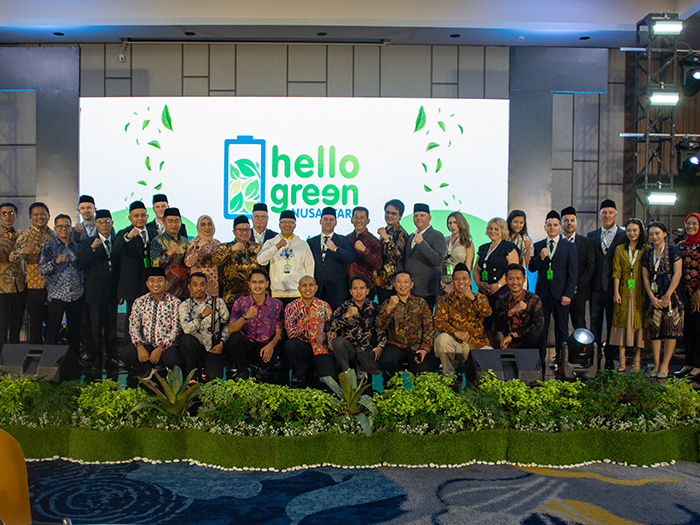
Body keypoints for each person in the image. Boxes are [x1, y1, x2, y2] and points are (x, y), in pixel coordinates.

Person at [38, 214, 84, 380]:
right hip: (57, 294)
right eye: (60, 226)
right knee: (52, 330)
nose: (64, 229)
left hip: (76, 294)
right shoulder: (49, 248)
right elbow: (41, 270)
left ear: (70, 228)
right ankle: (49, 363)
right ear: (55, 228)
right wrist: (55, 262)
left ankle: (73, 361)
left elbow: (83, 268)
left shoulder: (78, 247)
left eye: (66, 226)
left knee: (74, 330)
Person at [528, 210, 578, 362]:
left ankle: (561, 360)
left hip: (561, 294)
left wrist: (568, 294)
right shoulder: (538, 246)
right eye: (549, 225)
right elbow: (532, 268)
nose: (552, 228)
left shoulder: (569, 246)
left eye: (555, 225)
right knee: (541, 328)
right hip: (543, 294)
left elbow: (572, 273)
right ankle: (540, 360)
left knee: (562, 328)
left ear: (560, 227)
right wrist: (540, 257)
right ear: (544, 227)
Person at [119, 267, 184, 380]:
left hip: (166, 346)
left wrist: (161, 348)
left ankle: (162, 368)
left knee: (173, 360)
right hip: (146, 344)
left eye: (160, 280)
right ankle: (149, 368)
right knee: (125, 354)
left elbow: (176, 329)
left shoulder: (174, 302)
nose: (156, 284)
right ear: (147, 284)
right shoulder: (139, 302)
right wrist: (139, 346)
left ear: (166, 283)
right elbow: (133, 326)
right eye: (152, 281)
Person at [77, 209, 120, 381]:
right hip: (95, 293)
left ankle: (112, 356)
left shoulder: (116, 241)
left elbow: (119, 267)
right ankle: (96, 358)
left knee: (112, 326)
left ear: (112, 223)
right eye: (100, 222)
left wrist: (119, 291)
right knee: (95, 328)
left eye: (107, 221)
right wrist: (92, 249)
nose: (104, 225)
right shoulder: (88, 242)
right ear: (95, 224)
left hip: (112, 292)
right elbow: (81, 263)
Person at [434, 263, 492, 382]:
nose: (461, 282)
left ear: (470, 281)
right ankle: (450, 379)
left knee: (489, 354)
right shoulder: (445, 300)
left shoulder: (480, 297)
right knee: (442, 339)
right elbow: (438, 322)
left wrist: (473, 299)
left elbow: (487, 312)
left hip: (475, 343)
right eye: (457, 279)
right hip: (455, 344)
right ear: (452, 282)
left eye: (464, 279)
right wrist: (455, 332)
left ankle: (479, 386)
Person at [642, 222, 686, 379]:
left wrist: (667, 295)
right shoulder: (647, 254)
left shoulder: (674, 250)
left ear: (665, 234)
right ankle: (656, 364)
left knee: (671, 331)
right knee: (655, 331)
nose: (654, 237)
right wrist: (651, 297)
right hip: (654, 296)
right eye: (651, 234)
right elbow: (645, 277)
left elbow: (677, 274)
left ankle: (665, 365)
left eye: (657, 233)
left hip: (672, 296)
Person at [10, 202, 57, 343]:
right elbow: (12, 257)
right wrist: (24, 252)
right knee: (36, 322)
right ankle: (36, 350)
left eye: (42, 214)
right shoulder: (25, 235)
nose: (39, 217)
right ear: (30, 217)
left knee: (52, 321)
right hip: (34, 285)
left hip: (54, 286)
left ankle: (51, 351)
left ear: (48, 216)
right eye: (36, 215)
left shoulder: (54, 234)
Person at [587, 199, 626, 369]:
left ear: (616, 214)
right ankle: (595, 356)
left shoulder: (624, 235)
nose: (607, 215)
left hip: (616, 288)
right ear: (600, 215)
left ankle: (610, 357)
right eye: (604, 213)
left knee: (613, 324)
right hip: (596, 287)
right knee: (594, 322)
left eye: (610, 212)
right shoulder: (592, 235)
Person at [113, 200, 159, 339]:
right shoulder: (124, 233)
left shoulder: (153, 233)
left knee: (150, 316)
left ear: (147, 216)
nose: (140, 218)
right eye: (136, 216)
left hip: (150, 283)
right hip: (131, 284)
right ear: (130, 218)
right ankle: (130, 346)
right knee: (132, 317)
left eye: (143, 215)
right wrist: (128, 237)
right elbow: (115, 251)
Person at [228, 269, 284, 382]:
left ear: (267, 284)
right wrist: (245, 317)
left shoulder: (277, 304)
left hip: (264, 344)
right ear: (249, 284)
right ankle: (242, 371)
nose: (257, 286)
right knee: (234, 339)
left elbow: (279, 334)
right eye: (254, 282)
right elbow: (231, 329)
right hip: (246, 343)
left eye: (261, 282)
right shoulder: (241, 302)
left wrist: (271, 345)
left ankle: (262, 372)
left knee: (270, 353)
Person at [375, 271, 434, 377]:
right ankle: (393, 382)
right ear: (394, 284)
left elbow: (428, 329)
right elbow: (380, 326)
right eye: (399, 282)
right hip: (395, 346)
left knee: (423, 373)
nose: (402, 285)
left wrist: (424, 349)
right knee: (387, 360)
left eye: (406, 282)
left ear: (411, 284)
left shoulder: (421, 303)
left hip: (416, 348)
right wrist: (389, 309)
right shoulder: (387, 303)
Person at [610, 218, 648, 373]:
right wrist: (616, 292)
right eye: (629, 230)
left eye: (635, 230)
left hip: (640, 292)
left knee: (639, 325)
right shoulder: (620, 249)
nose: (631, 233)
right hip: (624, 291)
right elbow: (616, 272)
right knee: (622, 324)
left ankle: (637, 361)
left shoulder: (646, 249)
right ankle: (622, 360)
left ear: (640, 232)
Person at [473, 217, 519, 343]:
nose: (492, 231)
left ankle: (501, 350)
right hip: (484, 293)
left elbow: (512, 270)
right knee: (485, 325)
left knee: (497, 326)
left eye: (496, 229)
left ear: (502, 230)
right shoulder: (483, 248)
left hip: (502, 293)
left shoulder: (509, 247)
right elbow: (476, 269)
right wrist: (478, 283)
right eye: (490, 228)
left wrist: (498, 285)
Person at [328, 275, 385, 377]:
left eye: (362, 288)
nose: (358, 291)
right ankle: (347, 373)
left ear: (367, 291)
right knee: (337, 342)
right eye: (355, 288)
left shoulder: (374, 307)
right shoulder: (344, 307)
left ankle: (361, 371)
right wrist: (346, 316)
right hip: (349, 349)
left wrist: (380, 346)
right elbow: (331, 327)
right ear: (351, 291)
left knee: (376, 368)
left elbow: (381, 328)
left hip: (365, 350)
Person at [284, 275, 335, 388]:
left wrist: (332, 351)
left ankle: (316, 371)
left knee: (329, 379)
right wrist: (305, 320)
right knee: (291, 345)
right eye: (304, 285)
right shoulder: (291, 307)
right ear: (299, 289)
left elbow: (330, 330)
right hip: (302, 346)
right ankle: (300, 371)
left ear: (316, 288)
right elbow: (291, 334)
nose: (308, 288)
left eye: (311, 285)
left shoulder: (324, 306)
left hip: (319, 346)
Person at [178, 272, 230, 381]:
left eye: (202, 285)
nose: (199, 288)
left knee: (214, 378)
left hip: (213, 348)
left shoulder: (217, 302)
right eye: (195, 285)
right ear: (189, 287)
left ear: (206, 286)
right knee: (186, 340)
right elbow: (186, 329)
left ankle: (208, 370)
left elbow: (227, 324)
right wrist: (201, 317)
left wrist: (222, 343)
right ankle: (192, 375)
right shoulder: (185, 305)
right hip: (195, 348)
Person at [257, 210, 314, 306]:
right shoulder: (271, 242)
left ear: (295, 225)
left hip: (298, 293)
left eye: (290, 222)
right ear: (279, 224)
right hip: (277, 293)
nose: (287, 225)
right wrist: (276, 247)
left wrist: (308, 291)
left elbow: (310, 269)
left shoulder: (302, 244)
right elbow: (261, 260)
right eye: (284, 222)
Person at [307, 206, 354, 310]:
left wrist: (336, 249)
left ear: (335, 222)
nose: (328, 222)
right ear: (320, 221)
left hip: (338, 290)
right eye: (325, 219)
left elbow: (350, 258)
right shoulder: (311, 242)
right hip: (317, 290)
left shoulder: (343, 240)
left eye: (331, 220)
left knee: (337, 318)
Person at [402, 203, 446, 310]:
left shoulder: (437, 235)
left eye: (422, 215)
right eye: (416, 216)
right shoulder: (411, 236)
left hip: (426, 291)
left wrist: (422, 243)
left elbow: (437, 260)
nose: (418, 218)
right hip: (410, 289)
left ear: (429, 218)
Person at [213, 215, 261, 308]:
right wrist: (231, 250)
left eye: (247, 229)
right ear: (234, 232)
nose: (244, 232)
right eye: (241, 229)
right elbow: (216, 260)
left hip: (254, 297)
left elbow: (264, 270)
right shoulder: (225, 247)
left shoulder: (257, 248)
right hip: (232, 298)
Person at [493, 264, 544, 350]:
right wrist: (512, 311)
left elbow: (538, 325)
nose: (515, 282)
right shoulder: (502, 299)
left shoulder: (534, 299)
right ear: (506, 280)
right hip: (507, 342)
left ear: (524, 279)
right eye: (511, 279)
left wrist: (514, 335)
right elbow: (497, 321)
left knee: (535, 335)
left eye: (518, 278)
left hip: (528, 342)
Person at [560, 206, 596, 330]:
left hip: (579, 292)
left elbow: (590, 267)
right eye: (566, 220)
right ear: (561, 223)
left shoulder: (586, 243)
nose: (569, 223)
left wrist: (576, 285)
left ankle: (581, 344)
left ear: (576, 222)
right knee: (561, 325)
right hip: (560, 291)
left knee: (580, 324)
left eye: (572, 220)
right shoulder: (555, 242)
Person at [677, 213, 700, 380]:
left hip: (698, 295)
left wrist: (699, 292)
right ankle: (689, 363)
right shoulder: (681, 246)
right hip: (683, 294)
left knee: (698, 330)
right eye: (688, 223)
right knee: (687, 330)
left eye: (694, 224)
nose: (690, 226)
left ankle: (698, 365)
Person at [0, 202, 25, 348]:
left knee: (17, 320)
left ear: (16, 215)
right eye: (4, 213)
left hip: (19, 284)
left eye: (11, 213)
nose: (8, 216)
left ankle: (14, 353)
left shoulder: (22, 234)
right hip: (1, 286)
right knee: (2, 322)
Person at [150, 207, 188, 299]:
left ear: (181, 222)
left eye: (176, 221)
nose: (174, 224)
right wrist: (168, 254)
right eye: (170, 221)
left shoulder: (185, 241)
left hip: (183, 289)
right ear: (164, 222)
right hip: (165, 290)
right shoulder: (157, 241)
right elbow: (154, 265)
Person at [375, 199, 408, 305]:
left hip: (393, 283)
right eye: (387, 212)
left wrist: (386, 239)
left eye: (393, 213)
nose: (389, 215)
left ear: (400, 216)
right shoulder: (385, 231)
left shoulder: (400, 233)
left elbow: (399, 255)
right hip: (381, 281)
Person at [347, 206, 382, 301]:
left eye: (362, 217)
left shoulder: (374, 241)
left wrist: (364, 251)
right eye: (356, 217)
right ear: (351, 220)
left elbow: (377, 264)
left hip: (367, 288)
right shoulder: (347, 239)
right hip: (348, 287)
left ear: (368, 221)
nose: (359, 220)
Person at [184, 215, 221, 297]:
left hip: (213, 284)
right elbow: (188, 263)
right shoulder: (193, 243)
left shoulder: (217, 243)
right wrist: (198, 247)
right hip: (198, 284)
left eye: (209, 224)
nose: (207, 227)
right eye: (203, 224)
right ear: (198, 227)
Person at [441, 212, 474, 294]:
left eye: (455, 222)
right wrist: (442, 283)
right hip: (442, 282)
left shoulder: (467, 243)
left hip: (459, 283)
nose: (452, 226)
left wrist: (454, 285)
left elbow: (468, 267)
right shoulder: (443, 240)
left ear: (461, 223)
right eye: (450, 223)